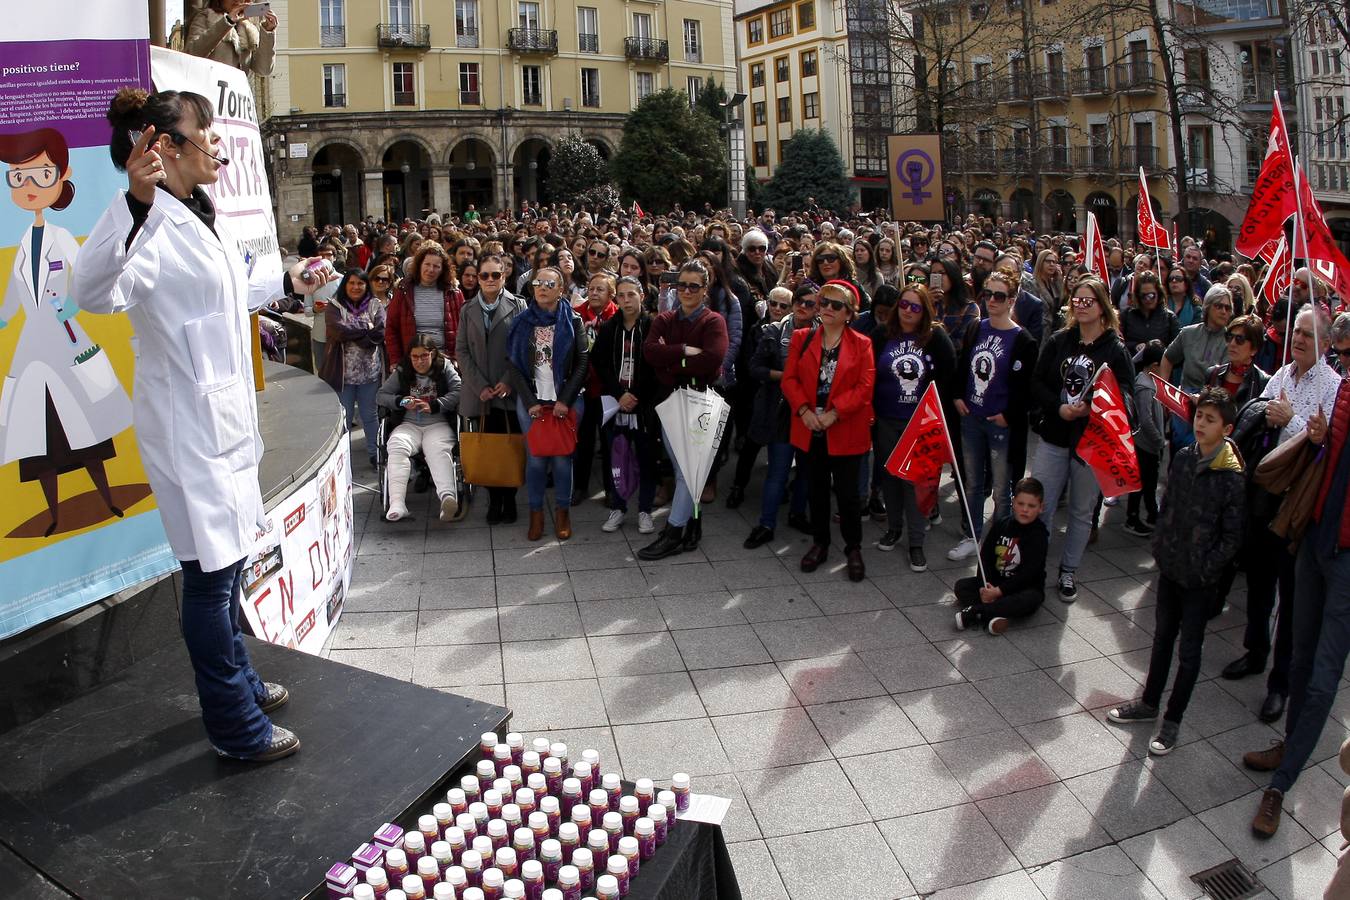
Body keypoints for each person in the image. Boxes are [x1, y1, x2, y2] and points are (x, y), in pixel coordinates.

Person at [74, 87, 325, 762]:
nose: (216, 144)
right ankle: (235, 728)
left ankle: (242, 682)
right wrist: (132, 203)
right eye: (203, 132)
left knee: (226, 568)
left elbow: (218, 300)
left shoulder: (197, 212)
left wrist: (293, 288)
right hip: (190, 430)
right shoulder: (145, 221)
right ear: (163, 147)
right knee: (210, 580)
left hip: (222, 424)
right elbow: (91, 292)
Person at [0, 127, 134, 536]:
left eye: (40, 175)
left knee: (87, 435)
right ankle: (54, 515)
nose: (27, 186)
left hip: (67, 344)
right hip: (32, 353)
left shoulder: (63, 238)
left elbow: (90, 280)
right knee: (40, 446)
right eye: (17, 177)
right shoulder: (24, 242)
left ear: (61, 176)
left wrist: (69, 309)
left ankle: (108, 500)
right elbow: (12, 299)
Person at [1108, 388, 1245, 755]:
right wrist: (1161, 548)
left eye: (1210, 419)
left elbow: (1232, 536)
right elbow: (1167, 506)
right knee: (1162, 639)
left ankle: (1172, 720)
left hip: (1200, 579)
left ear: (1227, 428)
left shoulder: (1231, 476)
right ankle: (1148, 703)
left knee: (1189, 651)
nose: (1201, 423)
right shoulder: (1183, 457)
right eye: (1199, 416)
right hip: (1171, 568)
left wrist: (1206, 569)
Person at [1245, 371, 1350, 836]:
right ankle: (1289, 744)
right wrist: (1321, 439)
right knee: (1301, 656)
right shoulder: (1345, 387)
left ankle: (1281, 787)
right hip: (1316, 539)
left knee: (1325, 679)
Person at [1225, 304, 1341, 720]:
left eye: (1309, 334)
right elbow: (1258, 413)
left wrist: (1290, 421)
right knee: (1258, 579)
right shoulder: (1282, 372)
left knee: (1290, 596)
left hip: (1297, 502)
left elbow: (1323, 449)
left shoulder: (1334, 386)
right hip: (1264, 492)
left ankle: (1281, 682)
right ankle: (1255, 651)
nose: (1299, 339)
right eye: (1297, 331)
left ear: (1327, 344)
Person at [1030, 277, 1135, 601]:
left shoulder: (1115, 349)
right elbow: (1037, 382)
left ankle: (1068, 571)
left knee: (1080, 511)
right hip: (1054, 436)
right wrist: (1058, 407)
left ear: (1103, 306)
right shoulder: (1060, 340)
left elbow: (1127, 396)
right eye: (1077, 299)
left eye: (1088, 300)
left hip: (1091, 445)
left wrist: (1093, 408)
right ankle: (1033, 568)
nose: (1081, 305)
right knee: (1041, 506)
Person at [780, 281, 876, 582]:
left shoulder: (862, 343)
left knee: (848, 495)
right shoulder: (802, 337)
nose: (827, 309)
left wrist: (835, 412)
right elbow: (789, 379)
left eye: (836, 305)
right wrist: (805, 411)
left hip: (844, 427)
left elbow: (865, 387)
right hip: (809, 427)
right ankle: (820, 543)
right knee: (816, 490)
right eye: (823, 302)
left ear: (849, 312)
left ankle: (853, 547)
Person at [638, 260, 729, 560]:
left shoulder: (713, 321)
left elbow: (713, 359)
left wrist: (671, 363)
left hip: (699, 401)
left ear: (705, 289)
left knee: (688, 473)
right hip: (670, 400)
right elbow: (650, 353)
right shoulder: (664, 319)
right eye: (682, 285)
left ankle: (674, 531)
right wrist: (685, 352)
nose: (687, 291)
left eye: (694, 286)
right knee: (684, 469)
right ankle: (693, 523)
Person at [949, 271, 1039, 560]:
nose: (992, 300)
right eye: (987, 293)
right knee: (973, 483)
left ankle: (1002, 541)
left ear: (1012, 300)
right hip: (971, 417)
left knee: (1002, 489)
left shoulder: (1023, 339)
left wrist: (1008, 416)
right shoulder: (977, 327)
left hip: (999, 423)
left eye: (999, 296)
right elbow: (963, 364)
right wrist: (958, 396)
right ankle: (972, 536)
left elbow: (1026, 387)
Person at [870, 283, 955, 571]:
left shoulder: (936, 337)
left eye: (915, 307)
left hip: (920, 423)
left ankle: (916, 541)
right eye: (904, 305)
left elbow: (948, 374)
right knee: (890, 477)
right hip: (886, 419)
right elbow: (869, 371)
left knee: (916, 482)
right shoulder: (883, 334)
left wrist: (932, 410)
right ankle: (894, 528)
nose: (908, 311)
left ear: (925, 311)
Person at [506, 266, 588, 541]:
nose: (542, 287)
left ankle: (563, 511)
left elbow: (582, 363)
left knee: (563, 460)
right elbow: (514, 365)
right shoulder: (522, 321)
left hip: (567, 400)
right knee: (536, 460)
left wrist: (566, 400)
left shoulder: (573, 320)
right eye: (537, 282)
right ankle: (536, 512)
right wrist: (529, 401)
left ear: (561, 289)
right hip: (533, 402)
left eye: (549, 284)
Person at [742, 285, 817, 547]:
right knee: (778, 470)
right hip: (780, 410)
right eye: (799, 301)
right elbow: (755, 368)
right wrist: (785, 378)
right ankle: (766, 523)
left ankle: (797, 513)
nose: (802, 307)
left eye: (810, 303)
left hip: (809, 411)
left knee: (806, 470)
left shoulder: (823, 335)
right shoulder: (773, 331)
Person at [456, 253, 523, 524]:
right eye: (485, 275)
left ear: (504, 276)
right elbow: (461, 350)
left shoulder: (518, 306)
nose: (490, 280)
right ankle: (494, 501)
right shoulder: (467, 308)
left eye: (496, 274)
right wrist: (479, 385)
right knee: (488, 448)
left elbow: (522, 348)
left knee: (509, 446)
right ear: (478, 278)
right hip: (480, 391)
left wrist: (508, 379)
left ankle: (510, 499)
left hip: (508, 389)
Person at [592, 277, 657, 535]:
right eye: (621, 295)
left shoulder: (652, 325)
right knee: (617, 456)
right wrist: (620, 394)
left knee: (646, 458)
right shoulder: (610, 327)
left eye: (632, 294)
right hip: (616, 404)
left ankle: (645, 510)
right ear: (615, 298)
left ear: (641, 294)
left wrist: (636, 395)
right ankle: (618, 507)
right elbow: (600, 362)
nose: (627, 300)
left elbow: (655, 366)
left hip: (643, 406)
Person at [377, 335, 462, 522]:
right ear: (409, 357)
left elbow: (459, 390)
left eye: (424, 356)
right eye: (415, 357)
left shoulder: (444, 366)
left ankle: (447, 498)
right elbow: (381, 395)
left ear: (432, 353)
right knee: (396, 445)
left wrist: (436, 404)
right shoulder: (402, 370)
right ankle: (397, 504)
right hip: (409, 424)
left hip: (437, 422)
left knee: (438, 450)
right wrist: (400, 401)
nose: (419, 361)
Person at [952, 477, 1050, 635]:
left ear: (1041, 507)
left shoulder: (1039, 535)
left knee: (1030, 599)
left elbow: (1028, 574)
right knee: (961, 586)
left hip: (1023, 587)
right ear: (1013, 502)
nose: (1025, 509)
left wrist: (999, 591)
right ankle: (995, 615)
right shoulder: (1001, 524)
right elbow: (985, 557)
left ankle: (977, 611)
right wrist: (986, 585)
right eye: (1020, 504)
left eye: (1031, 506)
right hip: (995, 581)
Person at [319, 268, 385, 467]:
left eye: (360, 283)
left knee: (369, 415)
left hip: (370, 374)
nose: (356, 287)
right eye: (352, 283)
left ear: (366, 286)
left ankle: (375, 455)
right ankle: (343, 459)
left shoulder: (375, 305)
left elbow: (380, 333)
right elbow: (338, 331)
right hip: (343, 375)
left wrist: (359, 333)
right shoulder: (334, 306)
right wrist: (367, 329)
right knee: (344, 418)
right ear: (345, 284)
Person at [573, 271, 619, 505]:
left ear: (611, 294)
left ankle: (611, 489)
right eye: (591, 288)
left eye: (600, 289)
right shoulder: (577, 315)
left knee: (609, 441)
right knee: (584, 440)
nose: (593, 293)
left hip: (609, 389)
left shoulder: (618, 317)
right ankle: (580, 486)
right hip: (583, 388)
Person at [385, 241, 464, 369]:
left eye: (436, 266)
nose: (431, 270)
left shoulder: (453, 293)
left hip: (445, 363)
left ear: (443, 269)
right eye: (427, 264)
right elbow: (391, 328)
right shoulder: (403, 290)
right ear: (419, 264)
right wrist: (395, 361)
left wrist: (456, 358)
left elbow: (463, 329)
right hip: (412, 362)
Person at [1125, 341, 1167, 536]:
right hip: (1145, 445)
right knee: (1142, 482)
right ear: (1154, 366)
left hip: (1149, 444)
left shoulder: (1149, 383)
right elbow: (1145, 419)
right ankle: (1133, 518)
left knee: (1148, 483)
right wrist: (1159, 440)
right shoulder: (1145, 387)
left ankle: (1152, 514)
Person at [185, 0, 277, 76]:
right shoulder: (206, 18)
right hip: (209, 92)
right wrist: (227, 22)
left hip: (235, 95)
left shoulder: (247, 28)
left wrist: (268, 31)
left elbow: (264, 69)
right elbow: (191, 54)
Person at [1119, 272, 1179, 355]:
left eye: (1151, 295)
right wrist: (1135, 346)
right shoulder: (1127, 315)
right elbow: (1119, 344)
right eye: (1144, 296)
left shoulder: (1169, 317)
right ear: (1138, 295)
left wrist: (1158, 349)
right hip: (1135, 365)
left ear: (1158, 293)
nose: (1148, 300)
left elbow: (1177, 348)